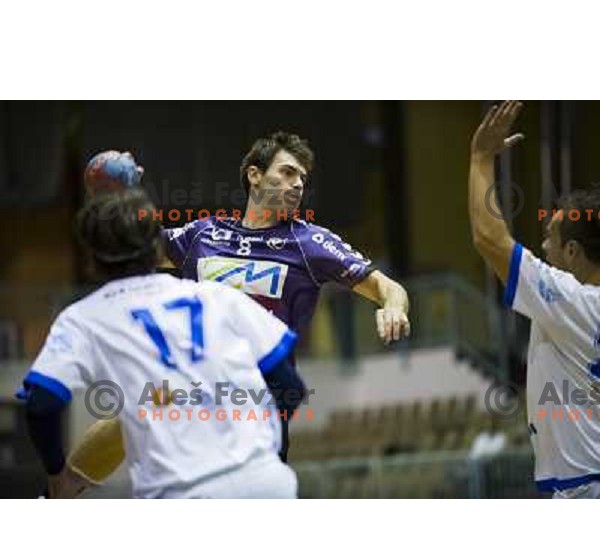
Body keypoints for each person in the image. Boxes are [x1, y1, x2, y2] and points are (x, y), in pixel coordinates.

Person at [74, 133, 410, 475]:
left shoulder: (309, 243)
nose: (297, 185)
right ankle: (59, 490)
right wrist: (116, 203)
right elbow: (129, 247)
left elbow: (386, 286)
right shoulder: (203, 235)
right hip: (195, 388)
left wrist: (393, 306)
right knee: (131, 412)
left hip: (257, 404)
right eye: (288, 173)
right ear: (254, 175)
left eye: (303, 179)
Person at [19, 188, 306, 498]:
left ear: (90, 260)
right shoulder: (217, 296)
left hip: (180, 491)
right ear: (158, 250)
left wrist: (57, 474)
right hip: (266, 482)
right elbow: (289, 386)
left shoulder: (81, 319)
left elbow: (42, 403)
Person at [469, 100, 600, 498]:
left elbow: (490, 239)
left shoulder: (575, 300)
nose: (542, 247)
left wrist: (480, 159)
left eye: (549, 238)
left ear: (574, 252)